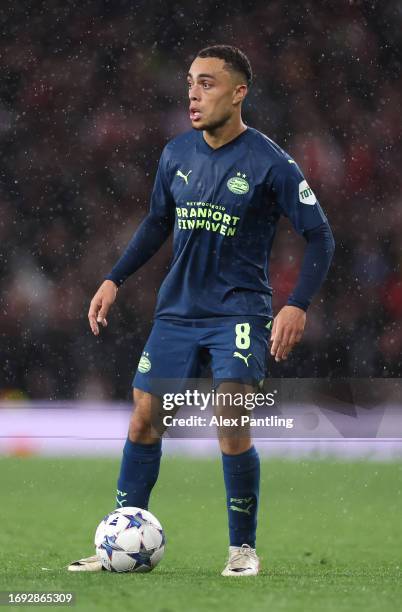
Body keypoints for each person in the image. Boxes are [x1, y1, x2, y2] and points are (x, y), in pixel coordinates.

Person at [68, 45, 335, 576]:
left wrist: (296, 305)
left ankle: (242, 548)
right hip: (178, 312)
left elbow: (320, 237)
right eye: (191, 82)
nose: (193, 93)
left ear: (239, 93)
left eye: (208, 83)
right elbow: (155, 222)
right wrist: (113, 277)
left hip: (238, 310)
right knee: (145, 419)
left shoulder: (270, 162)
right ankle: (118, 540)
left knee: (230, 417)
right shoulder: (176, 155)